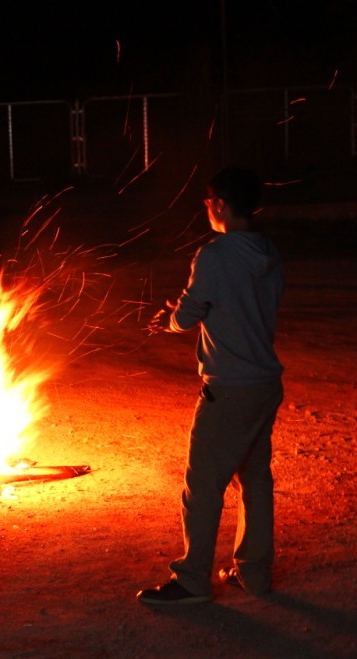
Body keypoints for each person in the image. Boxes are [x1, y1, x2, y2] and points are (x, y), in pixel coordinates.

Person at [137, 166, 284, 605]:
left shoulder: (215, 254)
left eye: (207, 201)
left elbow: (187, 315)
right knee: (254, 478)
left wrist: (169, 317)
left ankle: (192, 580)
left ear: (219, 203)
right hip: (263, 381)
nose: (206, 208)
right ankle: (254, 573)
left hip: (228, 385)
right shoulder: (270, 252)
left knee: (203, 484)